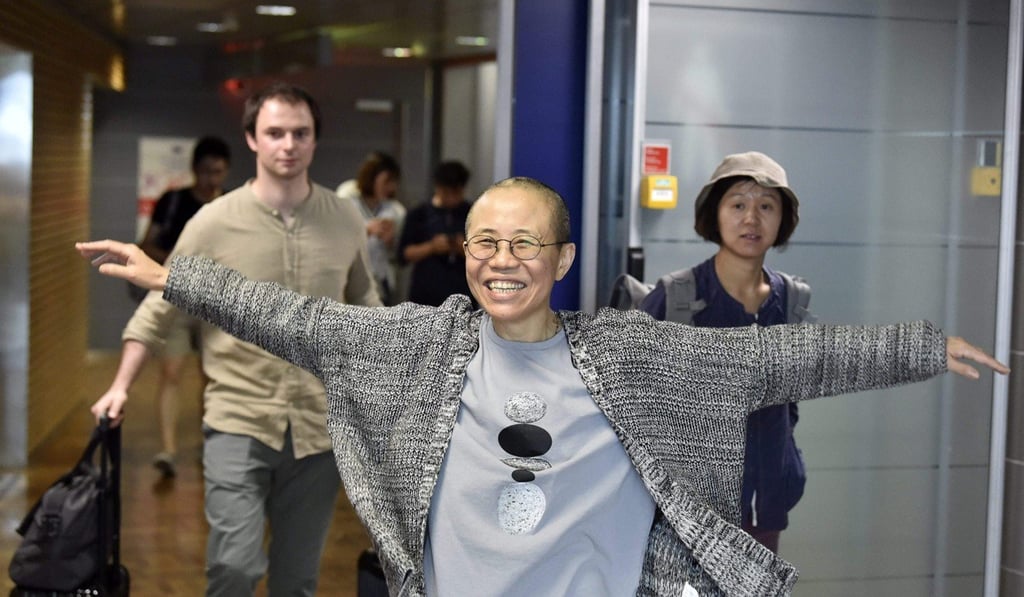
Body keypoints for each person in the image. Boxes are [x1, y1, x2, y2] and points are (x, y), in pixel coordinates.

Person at [78, 176, 1007, 597]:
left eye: (525, 243)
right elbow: (302, 321)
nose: (501, 259)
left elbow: (781, 360)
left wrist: (924, 345)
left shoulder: (633, 353)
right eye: (485, 240)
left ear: (562, 259)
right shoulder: (422, 346)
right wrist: (172, 276)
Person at [86, 82, 382, 596]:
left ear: (315, 141)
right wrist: (120, 386)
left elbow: (366, 306)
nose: (287, 144)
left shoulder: (344, 218)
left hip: (320, 427)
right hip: (237, 418)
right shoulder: (212, 222)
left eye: (300, 133)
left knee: (297, 580)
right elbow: (161, 307)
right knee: (236, 568)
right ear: (252, 139)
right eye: (274, 133)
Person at [640, 151, 810, 554]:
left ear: (782, 219)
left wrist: (784, 469)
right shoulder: (676, 297)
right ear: (714, 215)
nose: (751, 218)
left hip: (763, 515)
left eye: (766, 206)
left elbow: (790, 407)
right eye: (738, 204)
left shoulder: (791, 300)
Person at [137, 135, 231, 478]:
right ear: (195, 170)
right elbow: (148, 244)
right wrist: (181, 265)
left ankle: (210, 443)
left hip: (216, 302)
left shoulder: (232, 207)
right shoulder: (173, 202)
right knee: (171, 373)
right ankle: (168, 449)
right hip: (176, 298)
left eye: (219, 172)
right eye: (207, 172)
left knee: (213, 377)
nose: (212, 179)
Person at [398, 160, 474, 306]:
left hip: (462, 293)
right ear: (437, 187)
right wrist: (432, 247)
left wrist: (462, 248)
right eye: (446, 192)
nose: (451, 198)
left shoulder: (473, 213)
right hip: (425, 294)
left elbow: (485, 253)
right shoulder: (419, 214)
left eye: (456, 193)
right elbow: (404, 254)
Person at [337, 150, 406, 305]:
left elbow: (399, 254)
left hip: (380, 279)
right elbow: (337, 236)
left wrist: (390, 240)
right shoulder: (347, 197)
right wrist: (367, 230)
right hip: (349, 276)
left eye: (394, 182)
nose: (391, 187)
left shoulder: (396, 210)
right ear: (372, 178)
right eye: (387, 181)